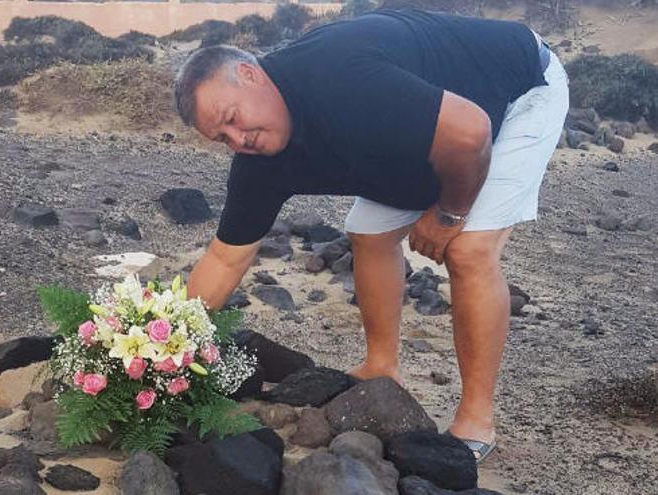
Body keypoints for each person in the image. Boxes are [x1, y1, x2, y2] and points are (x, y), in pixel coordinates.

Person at [175, 8, 568, 463]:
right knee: (368, 233)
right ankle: (383, 367)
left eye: (232, 117)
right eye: (222, 137)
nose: (238, 139)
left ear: (249, 74)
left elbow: (470, 133)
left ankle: (476, 417)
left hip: (513, 91)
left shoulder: (341, 81)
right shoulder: (259, 164)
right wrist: (163, 343)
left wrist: (447, 213)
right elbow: (224, 260)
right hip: (419, 135)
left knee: (468, 251)